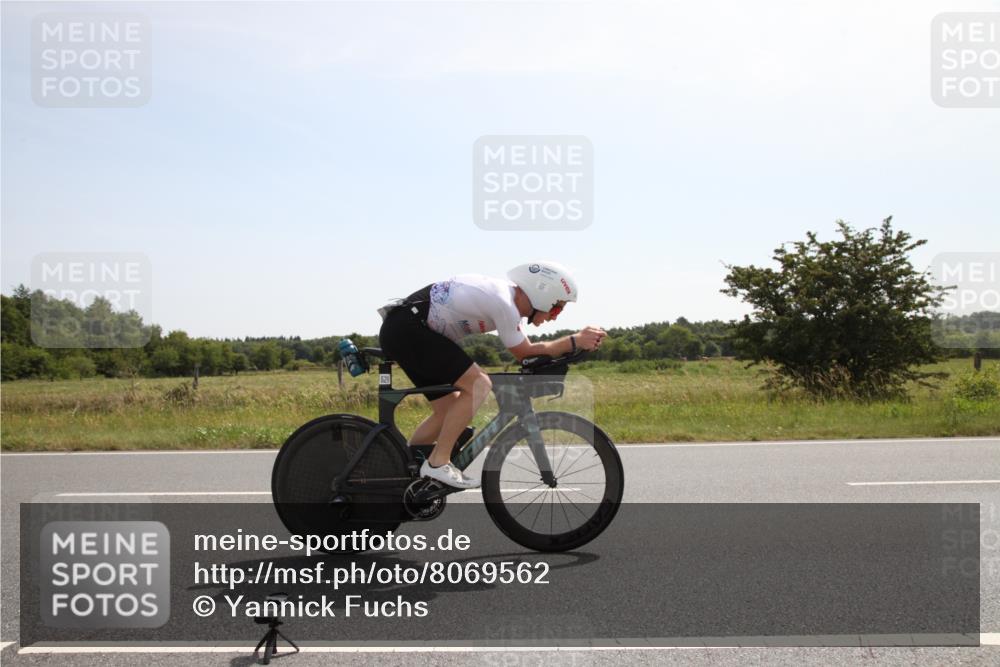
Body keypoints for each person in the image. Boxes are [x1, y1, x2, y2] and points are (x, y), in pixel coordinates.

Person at [378, 262, 606, 489]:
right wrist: (573, 341)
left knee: (448, 410)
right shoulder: (503, 302)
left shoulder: (505, 299)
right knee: (479, 384)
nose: (555, 317)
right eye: (557, 308)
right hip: (409, 329)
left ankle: (404, 470)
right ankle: (438, 464)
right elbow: (524, 353)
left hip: (405, 329)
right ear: (542, 293)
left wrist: (571, 346)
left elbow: (527, 350)